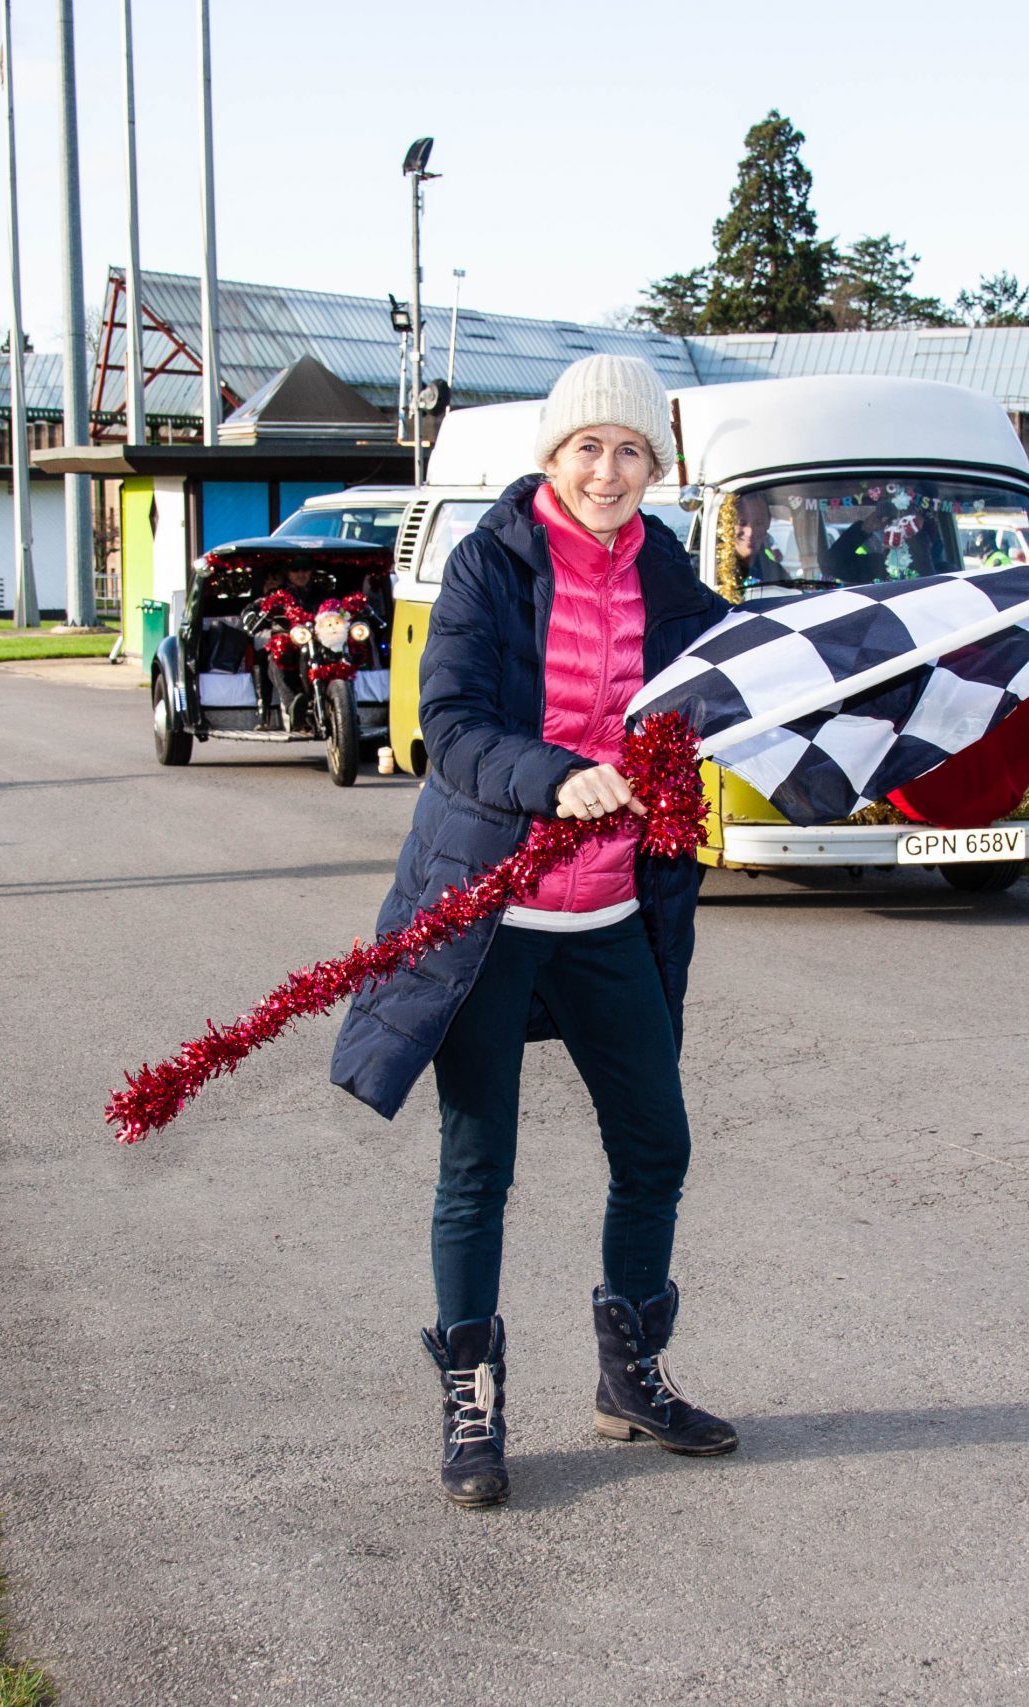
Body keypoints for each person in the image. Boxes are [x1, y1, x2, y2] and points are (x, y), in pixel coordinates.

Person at [329, 354, 740, 1509]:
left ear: (658, 467)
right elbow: (446, 723)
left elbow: (738, 669)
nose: (609, 472)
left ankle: (631, 1377)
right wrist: (552, 776)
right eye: (587, 449)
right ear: (551, 458)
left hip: (613, 909)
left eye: (631, 452)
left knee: (655, 1143)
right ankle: (471, 1402)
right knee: (478, 1164)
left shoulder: (664, 565)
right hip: (493, 910)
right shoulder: (488, 564)